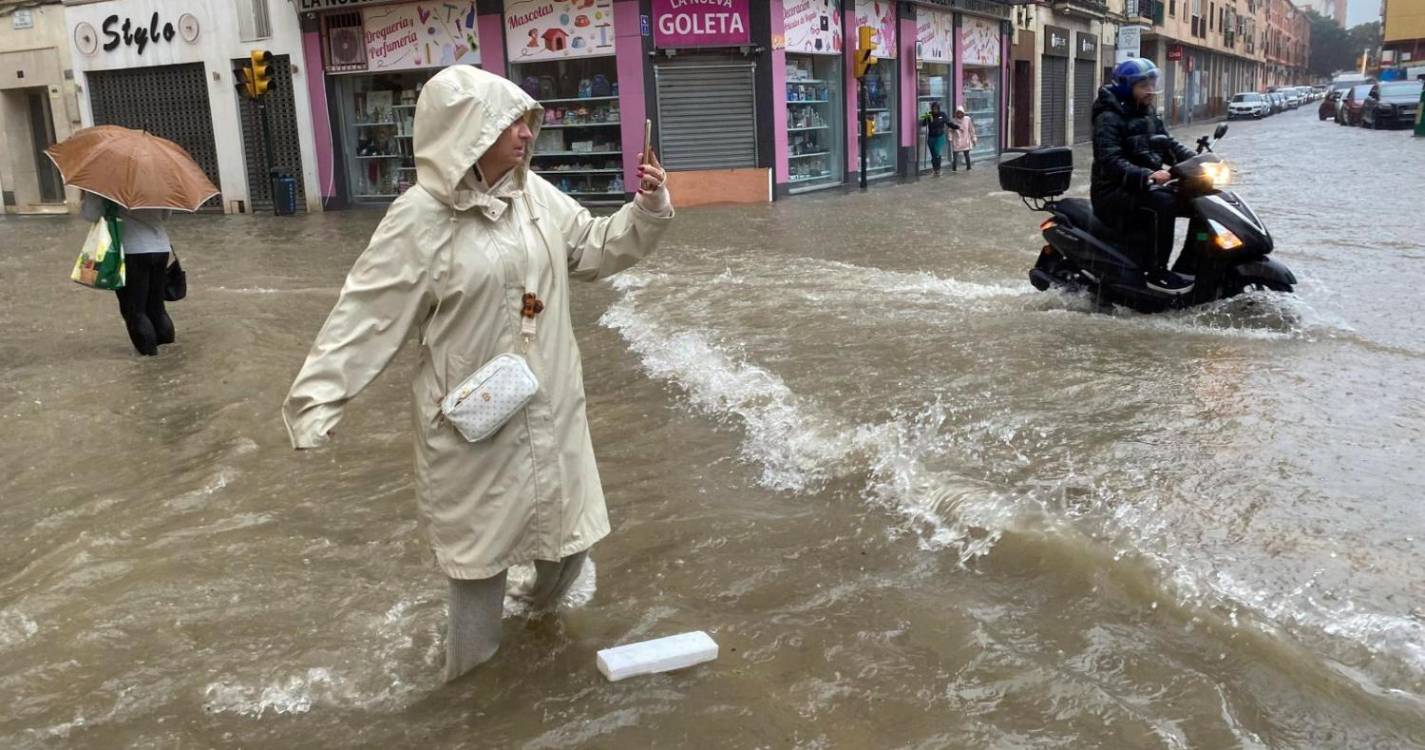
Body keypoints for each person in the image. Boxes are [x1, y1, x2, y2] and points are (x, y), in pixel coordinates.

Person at [281, 65, 673, 683]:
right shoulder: (419, 220)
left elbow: (593, 247)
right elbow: (366, 313)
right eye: (509, 123)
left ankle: (531, 624)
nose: (524, 134)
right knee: (478, 565)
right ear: (468, 131)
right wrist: (318, 400)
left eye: (526, 121)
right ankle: (468, 693)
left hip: (551, 406)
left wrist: (646, 209)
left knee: (569, 542)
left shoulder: (535, 198)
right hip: (474, 424)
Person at [1090, 57, 1197, 293]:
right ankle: (1155, 272)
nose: (1151, 90)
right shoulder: (1108, 118)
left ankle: (1192, 264)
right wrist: (1148, 175)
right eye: (1144, 85)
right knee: (1165, 203)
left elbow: (1168, 144)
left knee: (1197, 201)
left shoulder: (1147, 113)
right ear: (1127, 87)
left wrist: (1196, 160)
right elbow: (1110, 161)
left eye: (1152, 84)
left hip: (1143, 187)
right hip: (1113, 192)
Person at [80, 191, 174, 356]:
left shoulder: (106, 184)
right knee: (157, 307)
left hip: (131, 250)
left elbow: (91, 215)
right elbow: (165, 215)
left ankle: (149, 362)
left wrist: (88, 196)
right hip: (161, 248)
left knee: (135, 310)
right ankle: (169, 356)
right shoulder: (158, 181)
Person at [920, 102, 953, 176]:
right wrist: (925, 117)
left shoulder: (942, 114)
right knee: (933, 155)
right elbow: (923, 123)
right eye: (933, 108)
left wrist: (954, 127)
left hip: (940, 136)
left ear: (938, 108)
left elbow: (948, 122)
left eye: (936, 108)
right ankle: (935, 170)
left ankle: (938, 169)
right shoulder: (929, 114)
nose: (935, 110)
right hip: (931, 137)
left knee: (937, 152)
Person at [949, 106, 975, 171]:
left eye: (961, 113)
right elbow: (950, 130)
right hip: (956, 140)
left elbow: (971, 129)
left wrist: (973, 138)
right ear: (956, 113)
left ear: (963, 113)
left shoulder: (967, 119)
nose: (959, 114)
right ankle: (954, 169)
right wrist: (950, 138)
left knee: (967, 155)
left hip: (965, 140)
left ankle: (969, 168)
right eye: (958, 113)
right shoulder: (953, 120)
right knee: (955, 156)